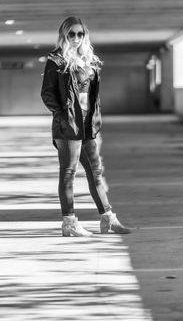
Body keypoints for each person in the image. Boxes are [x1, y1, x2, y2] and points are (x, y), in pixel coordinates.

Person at [41, 16, 130, 237]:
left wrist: (95, 119)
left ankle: (108, 219)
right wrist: (63, 116)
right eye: (71, 34)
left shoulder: (90, 61)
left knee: (96, 173)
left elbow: (92, 96)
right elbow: (47, 94)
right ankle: (69, 223)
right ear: (63, 35)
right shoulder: (56, 61)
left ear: (85, 35)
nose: (76, 38)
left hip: (88, 125)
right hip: (68, 125)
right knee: (68, 173)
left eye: (80, 34)